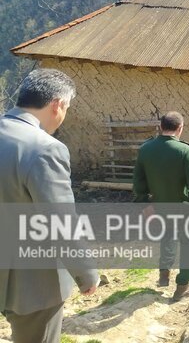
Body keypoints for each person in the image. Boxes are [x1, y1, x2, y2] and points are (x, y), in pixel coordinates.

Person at [0, 68, 99, 343]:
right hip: (33, 284)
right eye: (66, 107)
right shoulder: (45, 148)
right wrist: (86, 274)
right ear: (57, 105)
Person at [133, 111, 189, 301]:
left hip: (159, 205)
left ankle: (164, 274)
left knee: (167, 236)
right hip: (185, 207)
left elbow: (138, 181)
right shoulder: (184, 151)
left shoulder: (145, 149)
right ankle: (183, 285)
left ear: (160, 126)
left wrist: (144, 205)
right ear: (180, 128)